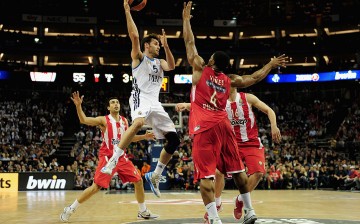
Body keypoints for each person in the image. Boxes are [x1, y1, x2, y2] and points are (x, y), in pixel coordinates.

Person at [181, 2, 287, 223]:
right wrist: (270, 64)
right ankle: (249, 211)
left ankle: (215, 218)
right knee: (238, 171)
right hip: (224, 125)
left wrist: (186, 19)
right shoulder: (230, 81)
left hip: (205, 127)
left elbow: (189, 42)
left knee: (206, 176)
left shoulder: (200, 69)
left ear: (211, 61)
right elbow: (255, 78)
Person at [100, 0, 180, 199]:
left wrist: (167, 46)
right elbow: (134, 35)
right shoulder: (139, 58)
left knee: (174, 140)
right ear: (147, 45)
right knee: (138, 123)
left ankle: (155, 174)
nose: (158, 46)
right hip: (140, 98)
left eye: (159, 44)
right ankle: (113, 160)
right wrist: (128, 11)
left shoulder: (160, 62)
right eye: (156, 44)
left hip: (155, 101)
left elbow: (171, 66)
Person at [176, 88, 281, 221]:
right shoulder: (219, 101)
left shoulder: (248, 98)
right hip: (230, 142)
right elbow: (202, 105)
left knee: (259, 173)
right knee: (218, 173)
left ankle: (240, 199)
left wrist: (274, 125)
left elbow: (269, 110)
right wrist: (186, 105)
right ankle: (218, 203)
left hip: (251, 142)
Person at [60, 91, 158, 223]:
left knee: (138, 181)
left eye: (117, 102)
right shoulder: (103, 120)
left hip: (121, 157)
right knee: (96, 187)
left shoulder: (124, 121)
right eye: (112, 103)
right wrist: (78, 106)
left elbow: (128, 138)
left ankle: (142, 211)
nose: (116, 104)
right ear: (108, 107)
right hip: (108, 157)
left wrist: (144, 136)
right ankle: (70, 209)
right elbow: (84, 120)